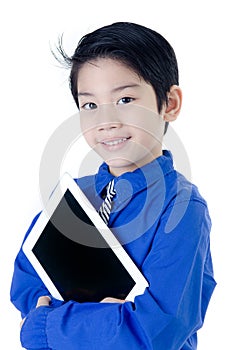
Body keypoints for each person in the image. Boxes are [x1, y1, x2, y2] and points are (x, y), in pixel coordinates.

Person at [10, 22, 216, 349]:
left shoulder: (182, 208)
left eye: (125, 99)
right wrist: (102, 321)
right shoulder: (73, 195)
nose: (107, 121)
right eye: (90, 105)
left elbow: (157, 331)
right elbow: (28, 283)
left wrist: (49, 326)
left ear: (170, 103)